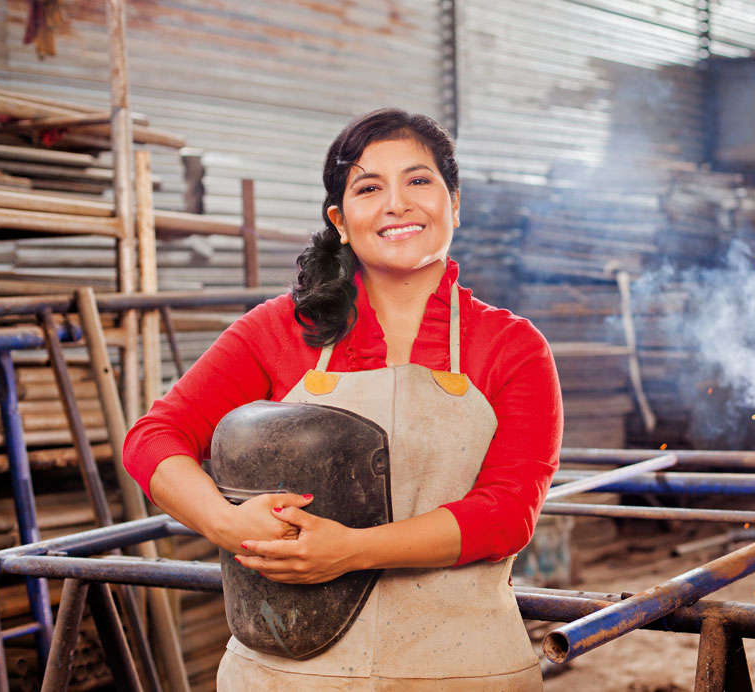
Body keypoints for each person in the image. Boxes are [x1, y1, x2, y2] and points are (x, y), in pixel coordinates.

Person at [124, 108, 563, 691]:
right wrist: (228, 527)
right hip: (287, 677)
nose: (397, 204)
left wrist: (353, 551)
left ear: (454, 203)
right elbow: (153, 438)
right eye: (369, 187)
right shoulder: (281, 329)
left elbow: (508, 512)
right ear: (340, 218)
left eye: (418, 181)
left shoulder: (511, 347)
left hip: (459, 668)